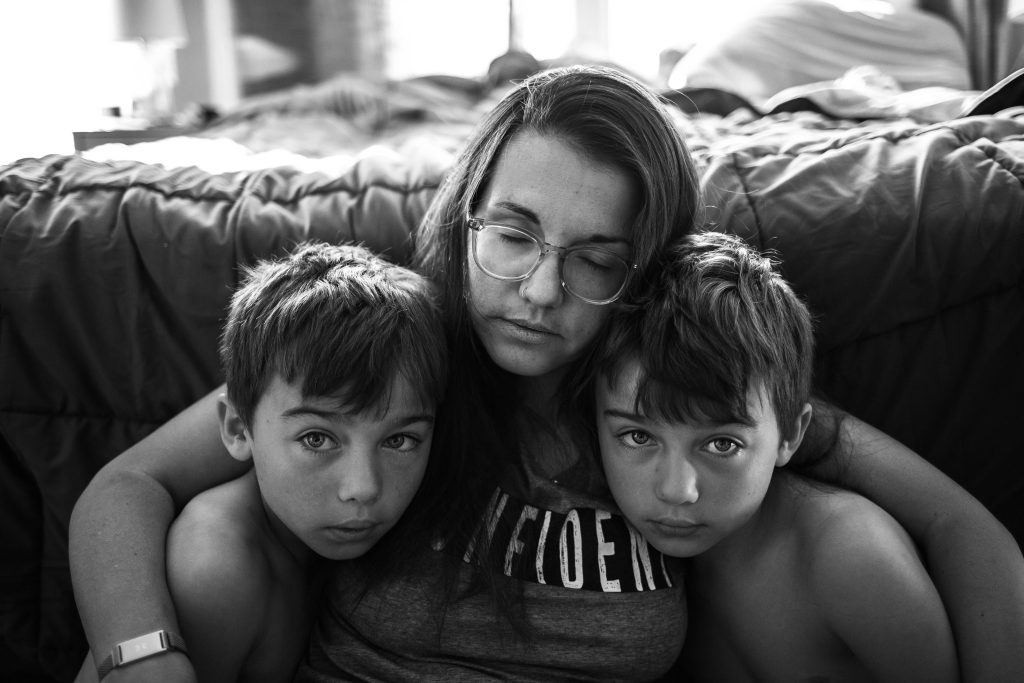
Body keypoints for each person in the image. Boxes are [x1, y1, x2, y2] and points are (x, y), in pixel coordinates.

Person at [69, 65, 1024, 683]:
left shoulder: (680, 393)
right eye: (515, 235)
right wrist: (142, 660)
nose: (538, 290)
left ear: (643, 266)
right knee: (212, 529)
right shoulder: (396, 347)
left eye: (595, 258)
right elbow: (129, 486)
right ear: (468, 217)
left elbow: (958, 527)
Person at [593, 231, 959, 681]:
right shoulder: (643, 589)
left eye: (722, 444)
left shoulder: (850, 554)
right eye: (636, 436)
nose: (676, 490)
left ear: (790, 434)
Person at [73, 243, 448, 682]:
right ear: (236, 429)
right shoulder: (216, 566)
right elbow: (126, 482)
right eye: (316, 438)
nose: (363, 488)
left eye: (400, 440)